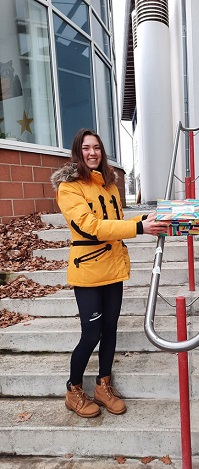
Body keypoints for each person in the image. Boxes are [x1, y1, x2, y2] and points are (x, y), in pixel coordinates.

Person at [50, 128, 167, 418]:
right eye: (86, 148)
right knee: (91, 334)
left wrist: (144, 219)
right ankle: (73, 389)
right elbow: (90, 226)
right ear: (78, 152)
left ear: (102, 152)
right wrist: (139, 228)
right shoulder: (69, 188)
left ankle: (104, 385)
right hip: (88, 270)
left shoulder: (110, 187)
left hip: (113, 268)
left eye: (97, 148)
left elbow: (115, 222)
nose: (92, 153)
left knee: (111, 330)